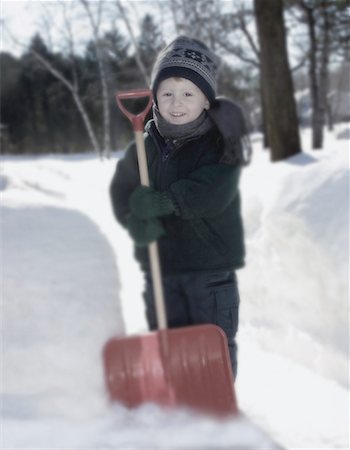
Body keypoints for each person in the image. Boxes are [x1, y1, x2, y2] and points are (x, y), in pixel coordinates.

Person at [110, 36, 251, 379]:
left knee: (211, 342)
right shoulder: (143, 147)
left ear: (206, 99)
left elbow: (213, 191)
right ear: (154, 96)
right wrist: (133, 217)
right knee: (170, 342)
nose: (176, 103)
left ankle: (217, 408)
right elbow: (121, 190)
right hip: (162, 270)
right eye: (167, 93)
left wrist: (162, 201)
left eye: (188, 93)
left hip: (209, 270)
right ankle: (181, 408)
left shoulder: (221, 142)